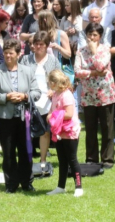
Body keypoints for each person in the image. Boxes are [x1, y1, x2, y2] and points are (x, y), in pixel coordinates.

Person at [0, 39, 41, 193]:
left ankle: (26, 182)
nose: (8, 56)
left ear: (18, 54)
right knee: (8, 151)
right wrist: (6, 97)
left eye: (11, 53)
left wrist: (24, 96)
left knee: (25, 151)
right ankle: (11, 184)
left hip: (25, 117)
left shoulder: (28, 71)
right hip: (5, 118)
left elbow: (37, 92)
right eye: (5, 53)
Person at [74, 23, 115, 169]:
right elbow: (77, 72)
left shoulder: (105, 50)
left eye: (95, 35)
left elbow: (101, 66)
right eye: (90, 34)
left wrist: (93, 52)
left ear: (100, 37)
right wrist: (92, 73)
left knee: (107, 128)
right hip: (88, 95)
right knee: (90, 129)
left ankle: (107, 159)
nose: (92, 38)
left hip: (105, 94)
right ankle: (91, 158)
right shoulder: (80, 51)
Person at [19, 31, 61, 168]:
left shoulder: (53, 60)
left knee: (45, 131)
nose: (38, 47)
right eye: (36, 44)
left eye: (41, 44)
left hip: (47, 100)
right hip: (29, 98)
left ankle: (43, 160)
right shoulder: (26, 59)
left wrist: (53, 90)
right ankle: (27, 160)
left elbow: (59, 79)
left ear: (47, 45)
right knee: (27, 132)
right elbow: (21, 78)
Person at [46, 69, 83, 197]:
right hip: (59, 132)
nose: (49, 84)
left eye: (49, 82)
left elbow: (69, 114)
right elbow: (52, 110)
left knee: (72, 159)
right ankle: (60, 186)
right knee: (62, 160)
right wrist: (50, 116)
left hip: (69, 132)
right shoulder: (56, 94)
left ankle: (78, 186)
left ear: (54, 82)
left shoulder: (67, 95)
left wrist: (54, 116)